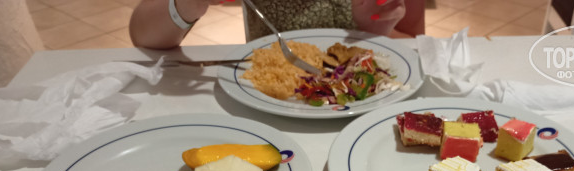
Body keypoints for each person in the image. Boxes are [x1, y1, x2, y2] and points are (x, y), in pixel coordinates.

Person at [129, 0, 414, 50]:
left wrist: (375, 29)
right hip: (266, 102)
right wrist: (187, 4)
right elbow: (143, 37)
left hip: (362, 108)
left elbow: (416, 42)